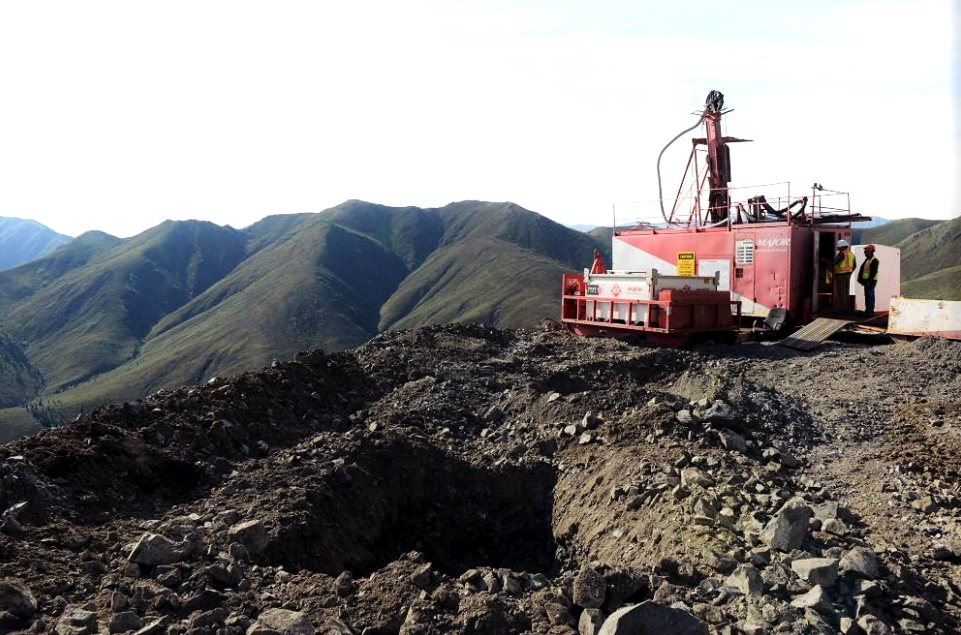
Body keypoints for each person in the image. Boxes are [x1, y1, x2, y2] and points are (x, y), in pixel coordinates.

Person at [833, 239, 856, 314]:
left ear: (842, 247)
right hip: (848, 275)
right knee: (846, 292)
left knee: (841, 292)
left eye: (838, 247)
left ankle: (844, 309)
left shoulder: (841, 254)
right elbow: (854, 265)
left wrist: (825, 260)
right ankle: (847, 308)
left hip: (841, 275)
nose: (838, 248)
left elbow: (835, 262)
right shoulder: (851, 254)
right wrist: (850, 273)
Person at [857, 244, 880, 316]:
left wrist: (868, 280)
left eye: (866, 251)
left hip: (871, 281)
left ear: (871, 252)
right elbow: (862, 269)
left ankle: (869, 312)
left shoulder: (874, 260)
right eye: (865, 252)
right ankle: (868, 310)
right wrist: (860, 279)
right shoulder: (867, 260)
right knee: (868, 296)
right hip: (867, 281)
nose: (865, 253)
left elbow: (873, 272)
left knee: (869, 296)